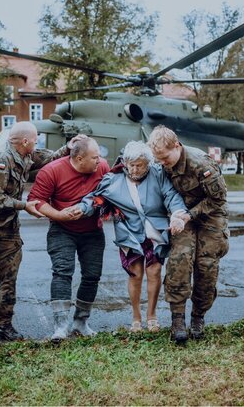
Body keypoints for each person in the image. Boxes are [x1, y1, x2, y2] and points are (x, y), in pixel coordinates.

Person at [0, 122, 79, 351]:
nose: (37, 142)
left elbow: (46, 158)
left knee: (9, 276)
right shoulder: (2, 160)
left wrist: (68, 148)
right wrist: (24, 205)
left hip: (8, 224)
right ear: (25, 141)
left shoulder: (25, 154)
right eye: (35, 138)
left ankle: (4, 327)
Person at [76, 141, 188, 333]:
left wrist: (178, 213)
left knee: (154, 272)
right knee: (135, 274)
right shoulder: (113, 179)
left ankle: (151, 315)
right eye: (131, 164)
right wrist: (80, 209)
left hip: (155, 232)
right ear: (125, 162)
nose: (135, 169)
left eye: (140, 165)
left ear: (148, 163)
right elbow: (94, 198)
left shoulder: (158, 174)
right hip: (129, 233)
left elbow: (171, 196)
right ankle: (136, 317)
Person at [147, 126, 229, 344]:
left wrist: (190, 215)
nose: (162, 163)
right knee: (179, 260)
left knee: (206, 265)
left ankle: (198, 317)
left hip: (209, 215)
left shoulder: (201, 164)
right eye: (158, 159)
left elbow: (218, 199)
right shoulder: (161, 163)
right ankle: (178, 320)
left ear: (177, 146)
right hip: (181, 214)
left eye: (165, 158)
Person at [27, 137, 110, 342]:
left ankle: (81, 322)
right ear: (79, 158)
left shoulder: (103, 167)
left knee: (92, 275)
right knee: (62, 272)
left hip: (92, 230)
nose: (99, 161)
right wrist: (59, 215)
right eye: (94, 157)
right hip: (62, 229)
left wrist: (92, 207)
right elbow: (36, 202)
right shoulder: (52, 170)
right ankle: (61, 326)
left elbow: (108, 194)